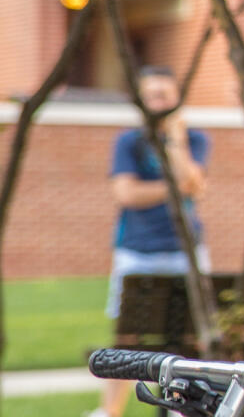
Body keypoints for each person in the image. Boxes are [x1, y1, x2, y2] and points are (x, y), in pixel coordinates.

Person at [90, 66, 210, 417]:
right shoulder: (129, 142)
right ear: (141, 101)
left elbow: (193, 182)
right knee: (128, 337)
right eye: (153, 95)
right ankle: (110, 412)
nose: (160, 102)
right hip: (137, 251)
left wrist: (176, 142)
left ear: (178, 98)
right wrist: (177, 189)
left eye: (166, 95)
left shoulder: (195, 139)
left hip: (185, 251)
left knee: (189, 337)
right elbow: (126, 193)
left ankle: (180, 408)